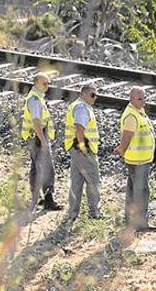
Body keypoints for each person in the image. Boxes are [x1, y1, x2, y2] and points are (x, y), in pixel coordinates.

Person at [113, 87, 156, 232]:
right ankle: (139, 223)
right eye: (140, 99)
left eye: (144, 98)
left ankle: (130, 220)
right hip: (138, 160)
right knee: (141, 192)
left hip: (141, 159)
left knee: (133, 191)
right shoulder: (132, 116)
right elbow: (127, 136)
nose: (144, 101)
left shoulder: (139, 112)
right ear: (131, 99)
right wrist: (121, 149)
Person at [22, 72, 62, 211]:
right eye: (44, 83)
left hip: (34, 137)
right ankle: (48, 200)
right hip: (38, 137)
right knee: (46, 168)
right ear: (36, 83)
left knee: (35, 167)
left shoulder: (37, 97)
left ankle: (36, 197)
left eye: (48, 83)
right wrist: (43, 140)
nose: (47, 86)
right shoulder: (35, 100)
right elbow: (36, 122)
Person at [64, 84, 103, 222]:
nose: (95, 98)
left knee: (76, 181)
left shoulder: (78, 105)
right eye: (93, 95)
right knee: (93, 181)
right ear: (84, 94)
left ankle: (73, 214)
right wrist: (84, 148)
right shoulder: (81, 107)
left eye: (96, 95)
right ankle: (95, 213)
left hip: (75, 149)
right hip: (82, 149)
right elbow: (79, 129)